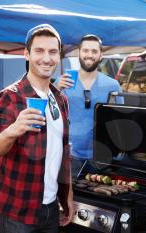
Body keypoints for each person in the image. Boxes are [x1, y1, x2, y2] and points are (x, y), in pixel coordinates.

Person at [0, 24, 73, 233]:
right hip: (17, 210)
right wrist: (13, 130)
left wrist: (67, 195)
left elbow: (62, 151)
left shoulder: (60, 99)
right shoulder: (10, 97)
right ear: (26, 54)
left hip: (50, 208)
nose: (46, 58)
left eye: (52, 52)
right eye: (39, 51)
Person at [55, 34, 122, 179]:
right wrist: (56, 90)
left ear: (101, 55)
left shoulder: (112, 85)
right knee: (68, 198)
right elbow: (51, 114)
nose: (89, 55)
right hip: (69, 154)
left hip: (101, 155)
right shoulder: (62, 82)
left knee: (98, 198)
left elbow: (120, 119)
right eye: (85, 51)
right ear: (79, 52)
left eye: (94, 51)